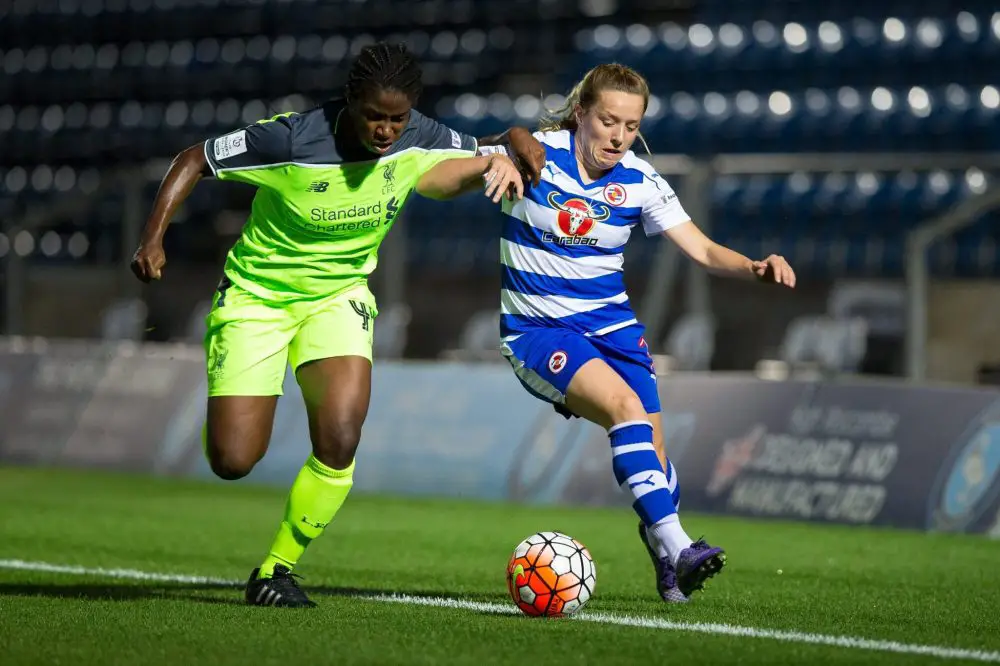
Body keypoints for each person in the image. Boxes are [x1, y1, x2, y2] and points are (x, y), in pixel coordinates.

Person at [130, 41, 545, 608]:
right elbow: (195, 158)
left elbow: (482, 148)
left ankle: (277, 570)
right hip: (258, 298)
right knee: (233, 460)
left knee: (341, 436)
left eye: (397, 118)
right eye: (375, 115)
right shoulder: (291, 137)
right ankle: (223, 422)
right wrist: (153, 237)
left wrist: (517, 141)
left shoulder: (419, 132)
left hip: (339, 297)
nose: (386, 129)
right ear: (350, 100)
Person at [495, 64, 796, 603]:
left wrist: (753, 265)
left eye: (631, 126)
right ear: (582, 113)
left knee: (653, 455)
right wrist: (506, 145)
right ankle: (679, 545)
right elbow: (492, 147)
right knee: (625, 410)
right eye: (608, 120)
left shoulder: (640, 180)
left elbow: (701, 249)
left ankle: (662, 548)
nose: (618, 135)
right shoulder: (538, 152)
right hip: (538, 329)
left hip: (612, 327)